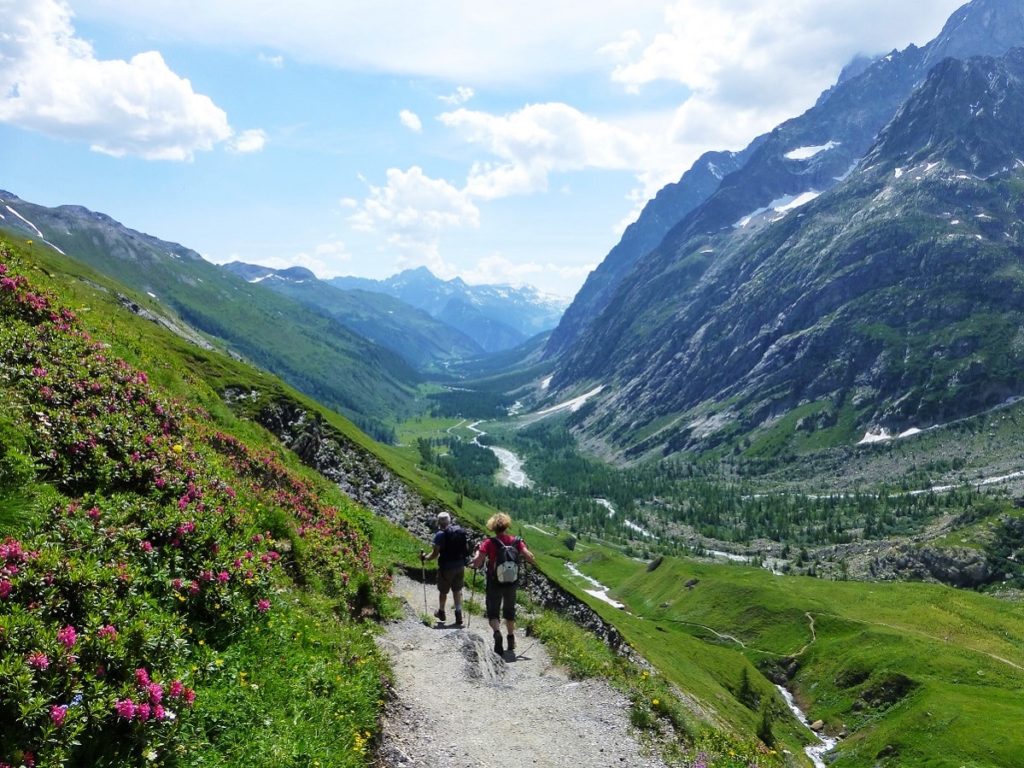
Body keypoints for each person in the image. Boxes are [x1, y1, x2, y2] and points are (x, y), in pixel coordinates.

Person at [468, 512, 536, 656]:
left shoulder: (488, 543)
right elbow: (530, 557)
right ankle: (511, 638)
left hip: (495, 582)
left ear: (492, 527)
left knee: (493, 611)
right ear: (506, 525)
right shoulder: (516, 541)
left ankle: (497, 632)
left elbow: (477, 563)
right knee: (509, 610)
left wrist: (475, 556)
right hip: (511, 583)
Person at [420, 511, 467, 627]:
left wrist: (425, 558)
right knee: (457, 590)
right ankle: (458, 613)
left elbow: (435, 554)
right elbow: (466, 548)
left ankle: (441, 612)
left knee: (443, 591)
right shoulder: (459, 531)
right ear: (449, 521)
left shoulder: (440, 535)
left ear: (439, 523)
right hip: (460, 566)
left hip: (446, 568)